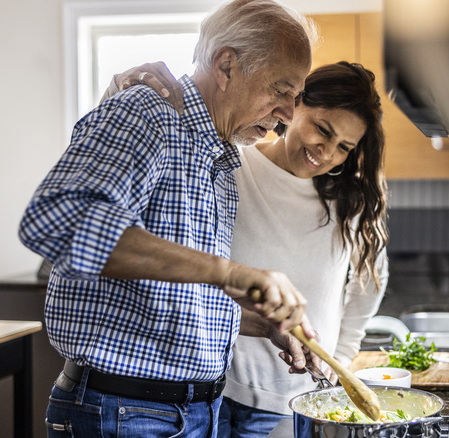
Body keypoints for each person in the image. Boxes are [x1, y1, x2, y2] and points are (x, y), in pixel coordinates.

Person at [17, 1, 321, 436]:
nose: (288, 114)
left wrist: (262, 324)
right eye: (280, 90)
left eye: (296, 97)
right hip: (124, 412)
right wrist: (231, 274)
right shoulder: (148, 112)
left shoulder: (220, 160)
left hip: (194, 412)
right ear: (226, 65)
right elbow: (59, 221)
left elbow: (168, 295)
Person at [107, 61, 389, 436]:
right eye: (323, 130)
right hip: (211, 390)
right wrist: (114, 96)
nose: (327, 152)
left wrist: (340, 359)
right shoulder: (232, 163)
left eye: (344, 147)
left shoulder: (351, 200)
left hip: (297, 399)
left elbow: (370, 284)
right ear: (295, 104)